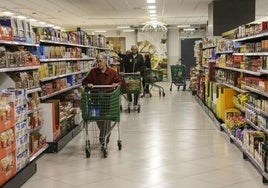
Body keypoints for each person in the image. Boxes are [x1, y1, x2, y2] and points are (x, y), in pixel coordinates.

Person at [82, 52, 123, 145]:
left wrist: (116, 84)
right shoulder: (93, 72)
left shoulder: (112, 72)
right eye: (97, 61)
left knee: (106, 118)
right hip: (96, 99)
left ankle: (103, 136)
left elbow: (120, 81)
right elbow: (84, 82)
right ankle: (105, 134)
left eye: (100, 61)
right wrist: (89, 84)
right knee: (99, 118)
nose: (98, 63)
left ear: (105, 61)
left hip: (109, 100)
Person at [123, 45, 145, 110]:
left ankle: (135, 104)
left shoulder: (140, 57)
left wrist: (139, 71)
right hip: (129, 75)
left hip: (136, 76)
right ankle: (129, 101)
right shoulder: (128, 57)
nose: (134, 50)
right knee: (128, 89)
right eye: (133, 49)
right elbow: (123, 63)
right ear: (131, 49)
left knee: (136, 90)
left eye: (135, 49)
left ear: (137, 50)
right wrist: (123, 71)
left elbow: (143, 65)